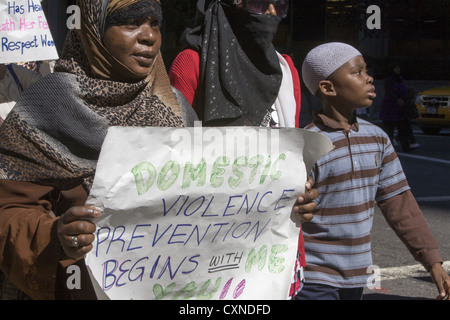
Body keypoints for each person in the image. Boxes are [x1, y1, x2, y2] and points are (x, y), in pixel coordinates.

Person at [0, 0, 196, 300]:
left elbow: (212, 200)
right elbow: (8, 211)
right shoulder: (47, 106)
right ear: (92, 29)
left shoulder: (176, 108)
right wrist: (55, 236)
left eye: (154, 23)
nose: (149, 36)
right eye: (130, 22)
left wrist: (286, 202)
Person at [169, 0, 315, 297]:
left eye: (281, 6)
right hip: (211, 250)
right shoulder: (192, 62)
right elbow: (172, 160)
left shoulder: (286, 69)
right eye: (259, 4)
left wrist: (302, 188)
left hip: (274, 247)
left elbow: (292, 155)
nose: (272, 14)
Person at [296, 42, 450, 300]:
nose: (369, 78)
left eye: (366, 70)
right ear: (327, 88)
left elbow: (399, 203)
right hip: (312, 276)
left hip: (357, 276)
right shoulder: (307, 144)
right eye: (357, 72)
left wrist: (432, 261)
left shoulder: (378, 139)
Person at [379, 63, 417, 152]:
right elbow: (389, 92)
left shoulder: (400, 79)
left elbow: (402, 91)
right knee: (389, 130)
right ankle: (387, 148)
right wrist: (396, 99)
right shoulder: (388, 80)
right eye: (396, 68)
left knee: (403, 128)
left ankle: (406, 147)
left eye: (399, 68)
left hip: (400, 108)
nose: (398, 70)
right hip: (390, 107)